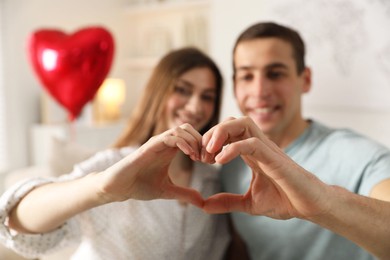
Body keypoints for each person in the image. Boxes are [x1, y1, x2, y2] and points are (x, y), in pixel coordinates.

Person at [0, 47, 231, 260]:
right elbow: (16, 220)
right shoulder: (117, 165)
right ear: (158, 92)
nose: (194, 107)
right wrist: (102, 190)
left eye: (207, 96)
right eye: (182, 90)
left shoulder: (212, 180)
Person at [200, 22, 390, 260]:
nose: (259, 91)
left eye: (275, 74)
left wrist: (322, 202)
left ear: (306, 79)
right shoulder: (231, 164)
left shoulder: (359, 155)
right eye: (247, 76)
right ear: (235, 86)